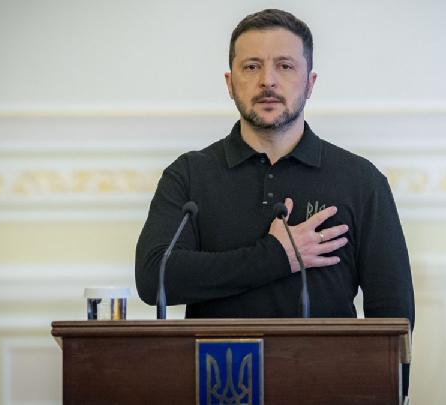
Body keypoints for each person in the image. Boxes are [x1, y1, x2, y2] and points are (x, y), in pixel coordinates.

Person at [135, 7, 414, 393]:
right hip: (218, 388)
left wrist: (395, 394)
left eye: (285, 66)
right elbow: (155, 278)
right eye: (251, 67)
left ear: (310, 82)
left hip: (330, 389)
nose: (267, 80)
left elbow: (393, 310)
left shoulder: (361, 180)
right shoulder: (189, 175)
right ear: (230, 83)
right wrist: (275, 257)